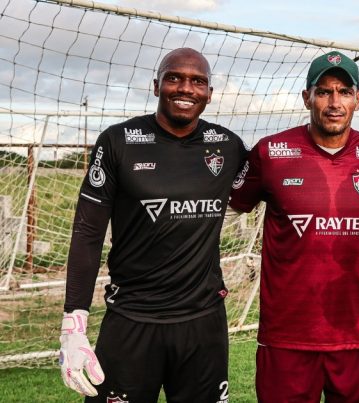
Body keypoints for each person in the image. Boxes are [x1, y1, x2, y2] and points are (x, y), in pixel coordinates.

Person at [229, 50, 359, 403]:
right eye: (324, 91)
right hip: (286, 337)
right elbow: (227, 212)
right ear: (307, 97)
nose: (335, 102)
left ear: (358, 99)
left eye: (344, 92)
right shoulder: (270, 152)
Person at [59, 48, 247, 402]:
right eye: (174, 78)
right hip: (131, 319)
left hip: (202, 323)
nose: (185, 88)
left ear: (209, 93)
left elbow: (275, 186)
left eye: (198, 81)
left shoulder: (227, 146)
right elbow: (87, 232)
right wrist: (74, 319)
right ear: (157, 85)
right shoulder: (118, 141)